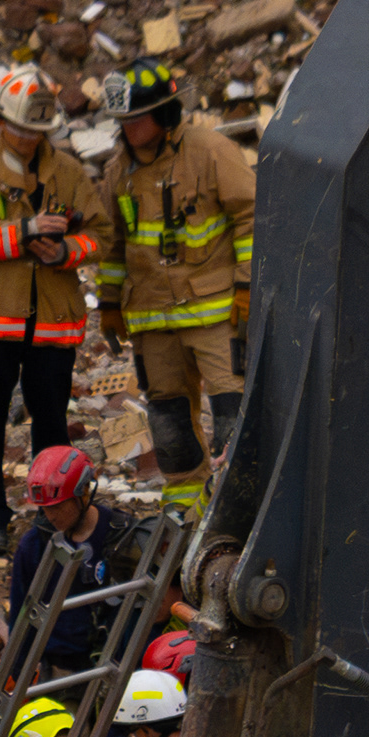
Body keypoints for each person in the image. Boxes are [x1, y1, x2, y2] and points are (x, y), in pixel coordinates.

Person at [0, 67, 109, 558]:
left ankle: (52, 514)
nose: (28, 139)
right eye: (20, 128)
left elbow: (100, 236)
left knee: (52, 425)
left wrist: (65, 253)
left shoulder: (69, 173)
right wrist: (23, 232)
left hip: (53, 323)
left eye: (37, 131)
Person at [95, 60, 254, 520]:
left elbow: (252, 215)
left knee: (233, 416)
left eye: (135, 119)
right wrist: (108, 304)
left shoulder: (210, 151)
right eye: (121, 122)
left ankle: (239, 510)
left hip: (216, 315)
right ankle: (184, 511)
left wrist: (246, 286)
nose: (128, 130)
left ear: (165, 114)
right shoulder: (117, 173)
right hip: (151, 322)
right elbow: (113, 246)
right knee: (169, 427)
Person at [10, 446, 188, 674]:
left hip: (118, 667)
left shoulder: (125, 537)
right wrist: (16, 673)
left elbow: (160, 608)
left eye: (58, 506)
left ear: (84, 491)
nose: (50, 516)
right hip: (61, 670)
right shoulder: (34, 546)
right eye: (44, 509)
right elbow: (20, 617)